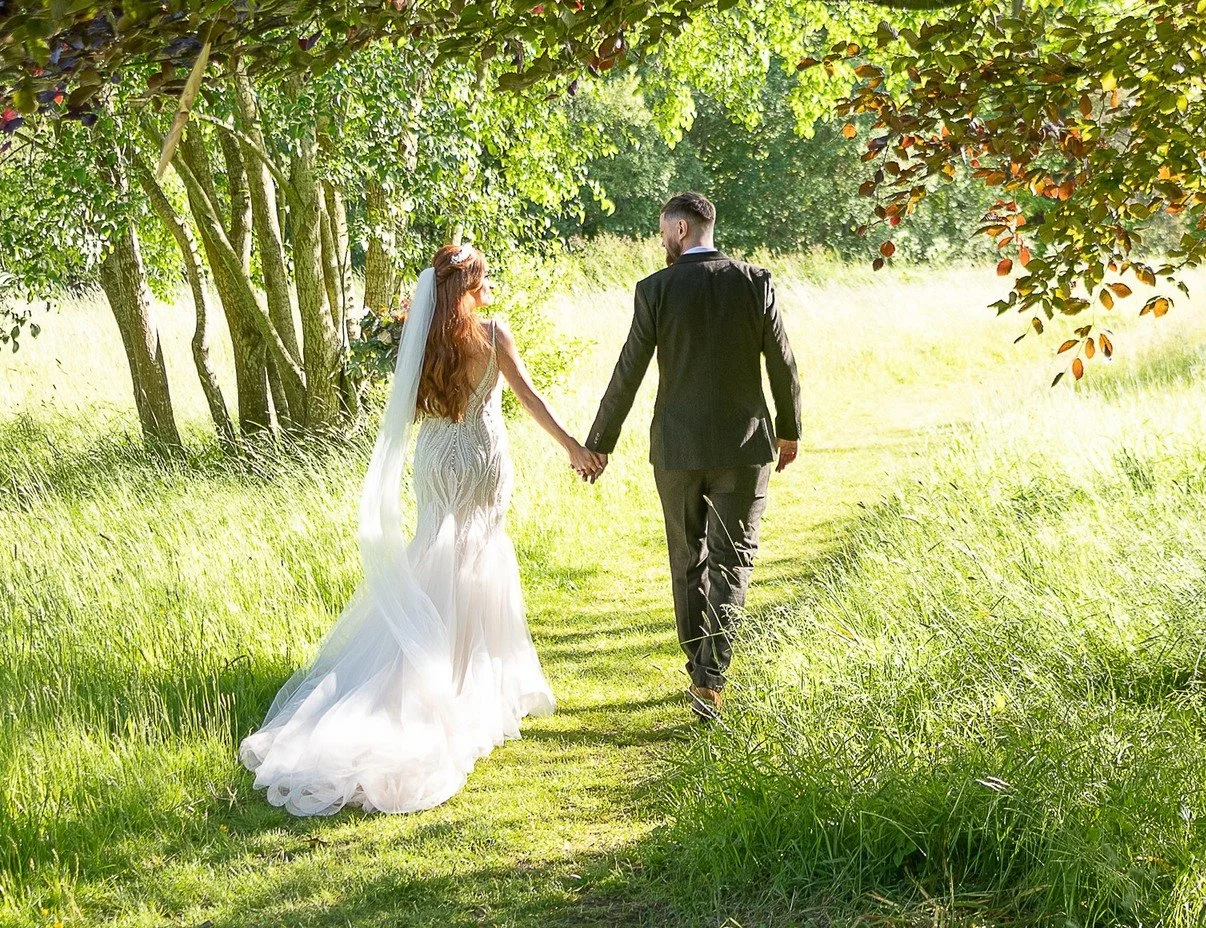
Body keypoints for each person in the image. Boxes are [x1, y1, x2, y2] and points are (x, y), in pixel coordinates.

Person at [240, 244, 605, 815]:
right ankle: (458, 693)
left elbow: (406, 410)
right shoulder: (493, 334)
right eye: (483, 281)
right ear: (471, 289)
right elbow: (529, 399)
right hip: (482, 459)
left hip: (434, 458)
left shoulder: (421, 340)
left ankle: (433, 678)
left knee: (435, 553)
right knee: (476, 558)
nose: (489, 289)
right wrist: (575, 449)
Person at [583, 190, 801, 721]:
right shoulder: (755, 283)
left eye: (663, 231)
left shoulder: (655, 289)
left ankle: (700, 668)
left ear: (681, 230)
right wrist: (790, 430)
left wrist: (598, 444)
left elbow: (627, 371)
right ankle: (710, 677)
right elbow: (783, 363)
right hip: (745, 446)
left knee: (688, 558)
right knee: (734, 560)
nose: (661, 240)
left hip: (676, 449)